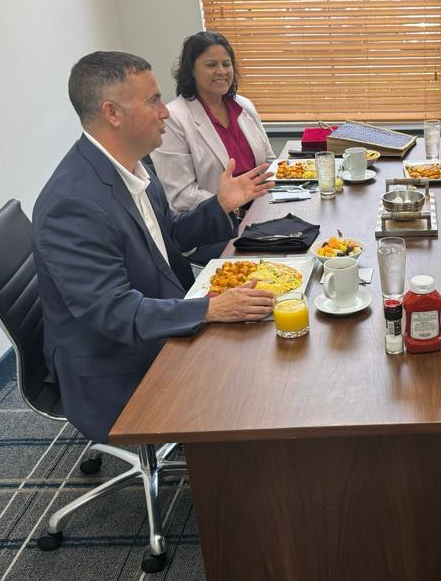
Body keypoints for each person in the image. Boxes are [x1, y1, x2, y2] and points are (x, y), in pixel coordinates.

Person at [33, 51, 276, 442]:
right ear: (112, 113)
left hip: (156, 319)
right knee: (257, 377)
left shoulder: (131, 165)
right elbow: (113, 311)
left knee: (269, 331)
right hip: (116, 364)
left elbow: (170, 238)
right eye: (152, 101)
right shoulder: (73, 205)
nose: (165, 112)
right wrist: (210, 309)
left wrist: (221, 205)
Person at [151, 31, 275, 262]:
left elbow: (269, 161)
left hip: (260, 213)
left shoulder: (244, 105)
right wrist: (236, 208)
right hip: (214, 231)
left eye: (226, 64)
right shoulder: (174, 117)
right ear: (191, 70)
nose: (222, 71)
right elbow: (181, 196)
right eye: (211, 65)